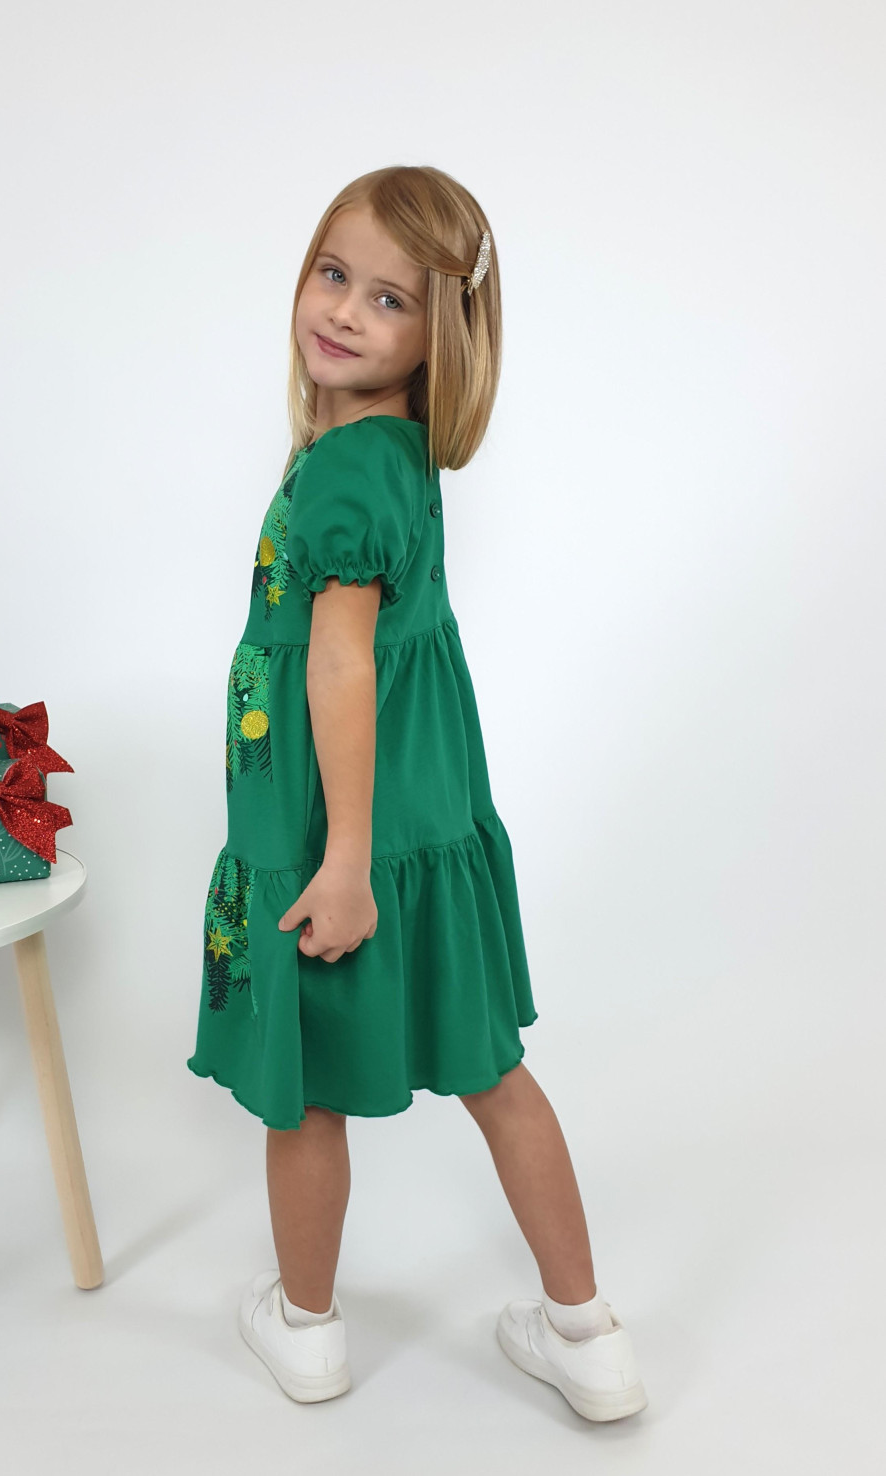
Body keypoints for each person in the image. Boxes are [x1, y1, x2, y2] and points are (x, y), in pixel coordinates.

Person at [187, 165, 647, 1421]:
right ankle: (587, 1337)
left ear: (439, 333)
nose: (344, 310)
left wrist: (342, 861)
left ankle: (306, 1328)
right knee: (495, 1072)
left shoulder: (346, 474)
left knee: (306, 1092)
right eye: (332, 274)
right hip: (425, 814)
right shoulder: (387, 452)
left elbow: (340, 665)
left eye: (387, 299)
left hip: (336, 831)